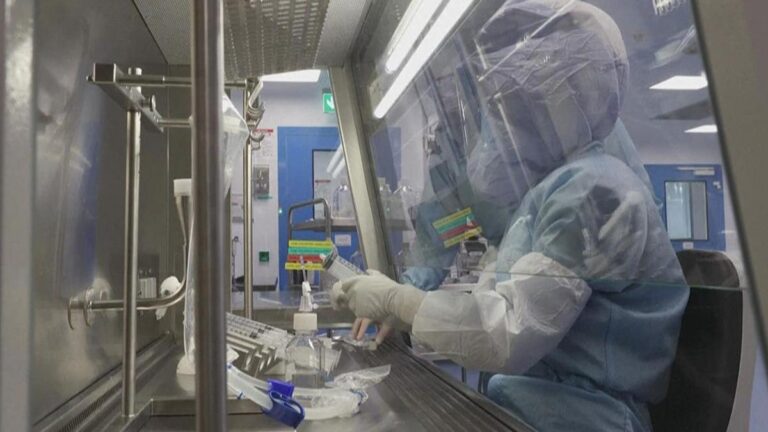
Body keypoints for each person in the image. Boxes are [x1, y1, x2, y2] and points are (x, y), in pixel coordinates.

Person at [332, 1, 689, 431]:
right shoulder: (543, 196)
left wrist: (399, 300)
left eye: (519, 105)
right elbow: (490, 299)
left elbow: (505, 334)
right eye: (501, 106)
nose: (500, 125)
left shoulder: (595, 193)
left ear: (567, 100)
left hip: (591, 418)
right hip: (537, 408)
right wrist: (406, 300)